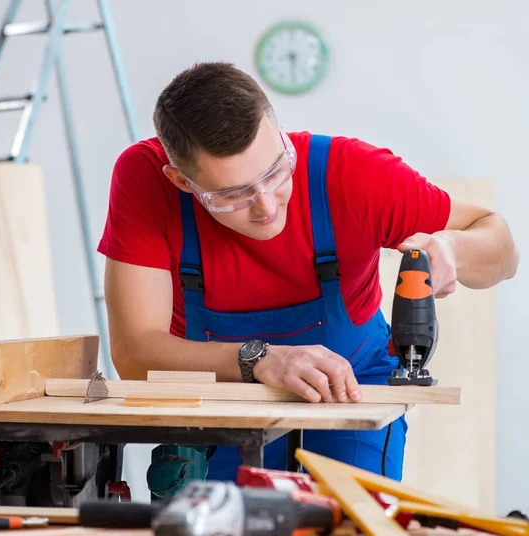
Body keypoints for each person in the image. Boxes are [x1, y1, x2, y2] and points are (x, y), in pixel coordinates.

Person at [97, 62, 519, 481]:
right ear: (182, 181)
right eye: (234, 195)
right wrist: (258, 358)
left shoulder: (351, 173)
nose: (266, 205)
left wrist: (452, 247)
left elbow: (502, 247)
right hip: (216, 398)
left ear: (280, 136)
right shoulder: (146, 179)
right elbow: (136, 353)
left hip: (352, 392)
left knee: (349, 522)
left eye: (275, 171)